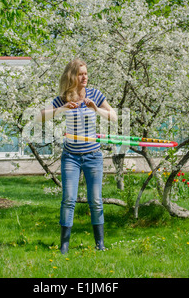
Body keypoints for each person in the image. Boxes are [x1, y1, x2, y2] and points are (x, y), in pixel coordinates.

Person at [36, 58, 117, 254]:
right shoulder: (64, 98)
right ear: (72, 76)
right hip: (71, 156)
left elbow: (114, 117)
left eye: (86, 73)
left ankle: (100, 244)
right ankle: (64, 246)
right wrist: (62, 109)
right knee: (68, 199)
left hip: (93, 155)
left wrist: (96, 110)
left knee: (96, 200)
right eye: (81, 73)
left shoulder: (95, 95)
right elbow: (39, 117)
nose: (85, 77)